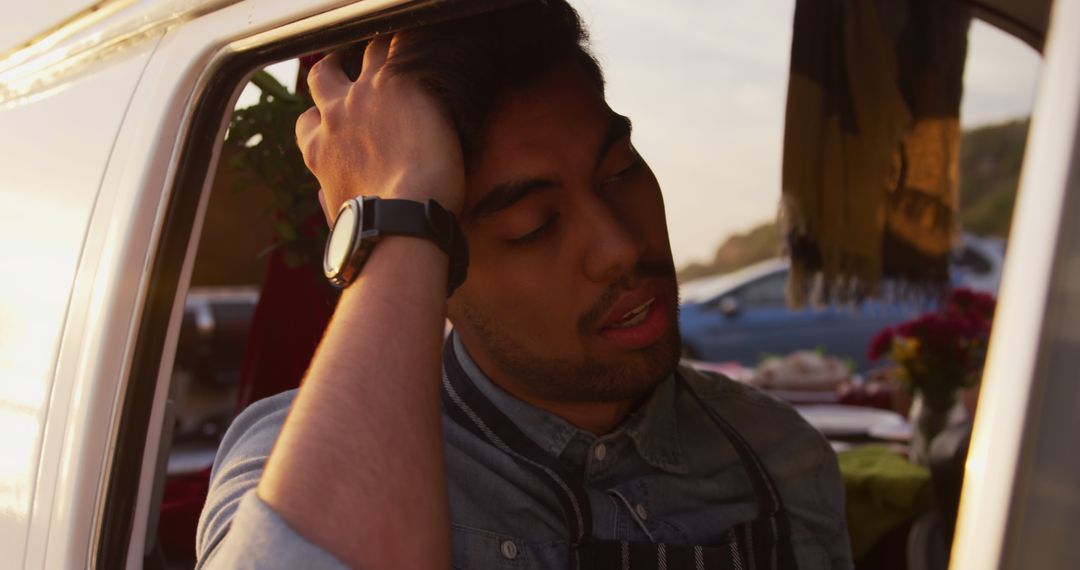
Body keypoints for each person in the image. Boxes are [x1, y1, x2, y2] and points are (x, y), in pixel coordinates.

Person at [196, 2, 852, 568]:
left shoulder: (780, 458)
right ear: (435, 267)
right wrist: (399, 209)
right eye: (533, 226)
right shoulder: (287, 463)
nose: (620, 249)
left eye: (620, 171)